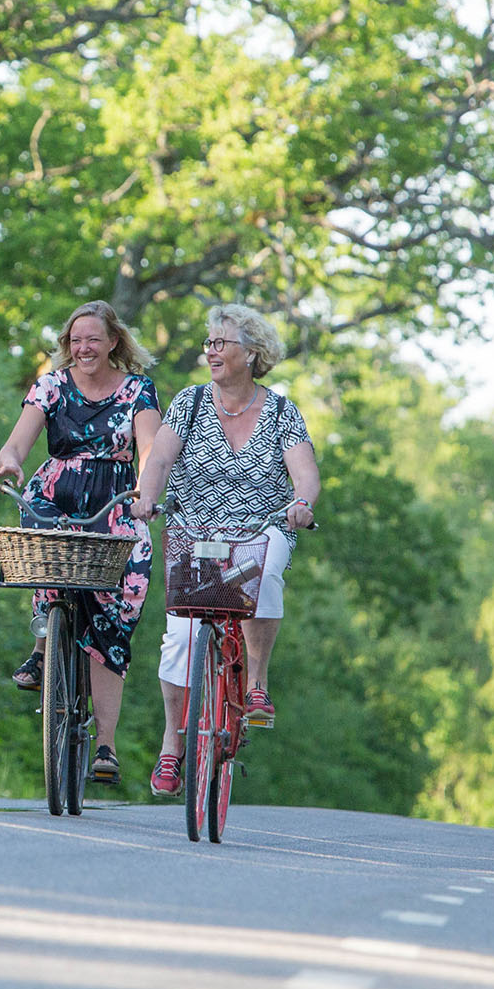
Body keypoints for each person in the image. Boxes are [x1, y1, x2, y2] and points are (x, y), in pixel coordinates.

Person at [129, 303, 320, 797]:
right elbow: (161, 458)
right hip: (195, 530)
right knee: (179, 638)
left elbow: (305, 474)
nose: (210, 351)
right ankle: (173, 746)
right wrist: (148, 496)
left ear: (252, 354)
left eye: (221, 343)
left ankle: (256, 683)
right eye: (208, 343)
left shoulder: (280, 411)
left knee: (267, 571)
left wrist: (300, 503)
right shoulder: (189, 404)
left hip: (262, 526)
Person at [0, 300, 161, 785]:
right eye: (75, 340)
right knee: (44, 555)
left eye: (93, 339)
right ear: (68, 345)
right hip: (57, 494)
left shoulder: (137, 390)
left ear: (112, 343)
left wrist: (147, 492)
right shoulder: (51, 385)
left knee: (111, 616)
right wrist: (11, 462)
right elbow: (17, 441)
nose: (83, 347)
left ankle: (104, 743)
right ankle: (46, 642)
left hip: (116, 500)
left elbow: (148, 450)